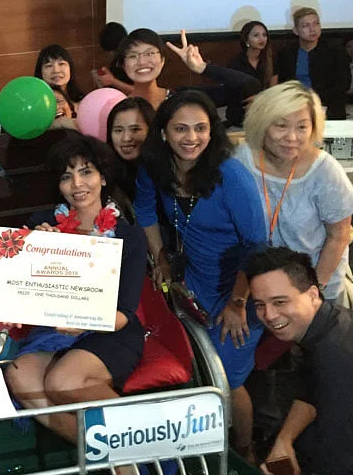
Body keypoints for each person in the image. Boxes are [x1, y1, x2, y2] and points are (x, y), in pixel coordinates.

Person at [135, 90, 265, 460]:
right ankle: (204, 449)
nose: (191, 138)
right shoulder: (155, 166)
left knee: (227, 380)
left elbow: (257, 246)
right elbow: (145, 209)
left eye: (200, 128)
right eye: (181, 128)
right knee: (196, 368)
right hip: (194, 283)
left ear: (212, 131)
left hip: (241, 287)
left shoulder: (231, 175)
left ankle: (245, 452)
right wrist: (160, 256)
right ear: (164, 132)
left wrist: (237, 303)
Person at [5, 135, 146, 452]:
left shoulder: (127, 234)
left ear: (103, 178)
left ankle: (144, 446)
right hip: (54, 331)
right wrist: (35, 249)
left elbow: (124, 314)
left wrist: (84, 322)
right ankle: (106, 456)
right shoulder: (42, 224)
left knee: (61, 382)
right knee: (21, 376)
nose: (77, 184)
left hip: (110, 331)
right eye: (66, 176)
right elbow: (21, 293)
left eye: (86, 172)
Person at [247, 247, 353, 475]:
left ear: (312, 294)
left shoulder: (335, 360)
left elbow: (339, 458)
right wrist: (284, 441)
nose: (269, 315)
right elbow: (310, 391)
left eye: (280, 302)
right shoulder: (333, 322)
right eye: (260, 305)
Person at [234, 82, 353, 307]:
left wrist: (314, 291)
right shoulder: (242, 158)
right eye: (281, 125)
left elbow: (339, 236)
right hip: (258, 281)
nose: (292, 137)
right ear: (261, 123)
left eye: (302, 127)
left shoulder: (325, 171)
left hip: (312, 283)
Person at [120, 28, 261, 112]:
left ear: (162, 60)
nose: (142, 61)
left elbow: (250, 85)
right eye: (133, 56)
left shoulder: (181, 98)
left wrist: (203, 67)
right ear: (123, 64)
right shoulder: (118, 106)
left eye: (150, 53)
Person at [275, 7, 350, 119]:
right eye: (306, 26)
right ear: (295, 30)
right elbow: (284, 83)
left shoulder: (335, 51)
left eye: (316, 24)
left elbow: (343, 84)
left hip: (329, 108)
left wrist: (313, 98)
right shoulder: (287, 53)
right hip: (295, 107)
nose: (312, 29)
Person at [105, 97, 155, 203]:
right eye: (118, 130)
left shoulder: (168, 169)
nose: (126, 138)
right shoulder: (104, 174)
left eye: (135, 129)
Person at [226, 21, 277, 127]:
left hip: (265, 104)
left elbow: (273, 89)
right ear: (246, 40)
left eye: (264, 35)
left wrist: (260, 99)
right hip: (242, 107)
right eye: (256, 35)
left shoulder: (271, 60)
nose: (262, 39)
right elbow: (235, 94)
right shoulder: (236, 63)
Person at [95, 22, 133, 93]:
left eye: (112, 51)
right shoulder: (115, 61)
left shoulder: (134, 61)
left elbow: (141, 92)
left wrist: (113, 81)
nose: (110, 54)